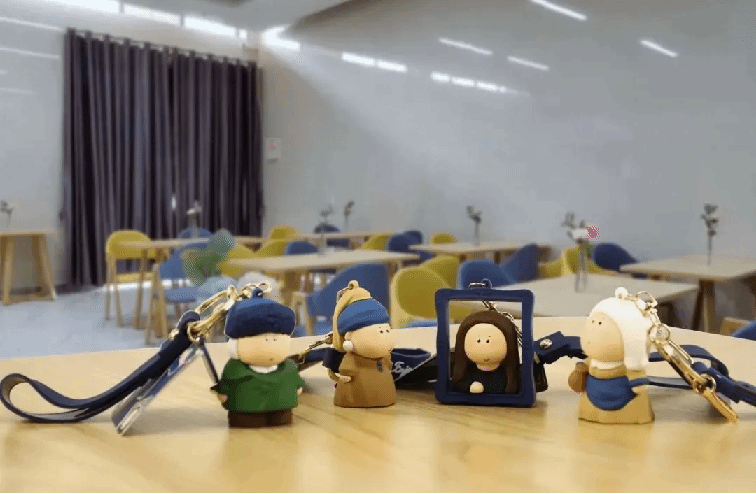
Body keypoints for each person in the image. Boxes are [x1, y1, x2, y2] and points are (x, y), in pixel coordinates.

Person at [212, 288, 305, 428]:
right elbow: (228, 383)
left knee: (283, 419)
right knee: (247, 421)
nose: (270, 343)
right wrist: (223, 393)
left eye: (276, 338)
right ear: (235, 345)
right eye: (263, 338)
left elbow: (295, 380)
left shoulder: (288, 366)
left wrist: (297, 388)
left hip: (281, 406)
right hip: (246, 409)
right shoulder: (235, 369)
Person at [568, 287, 654, 424]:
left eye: (599, 325)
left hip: (623, 403)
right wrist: (580, 372)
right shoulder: (590, 362)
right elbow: (576, 385)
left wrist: (638, 383)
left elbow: (638, 383)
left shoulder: (629, 365)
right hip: (591, 403)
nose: (590, 337)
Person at [329, 281, 396, 408]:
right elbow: (346, 370)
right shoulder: (352, 360)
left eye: (386, 330)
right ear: (348, 337)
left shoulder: (384, 357)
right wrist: (343, 377)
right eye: (380, 331)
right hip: (357, 395)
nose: (384, 335)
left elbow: (389, 365)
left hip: (386, 396)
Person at [451, 310, 520, 394]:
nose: (483, 345)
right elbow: (460, 385)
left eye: (488, 341)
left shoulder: (507, 375)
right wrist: (470, 387)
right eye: (478, 341)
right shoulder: (468, 372)